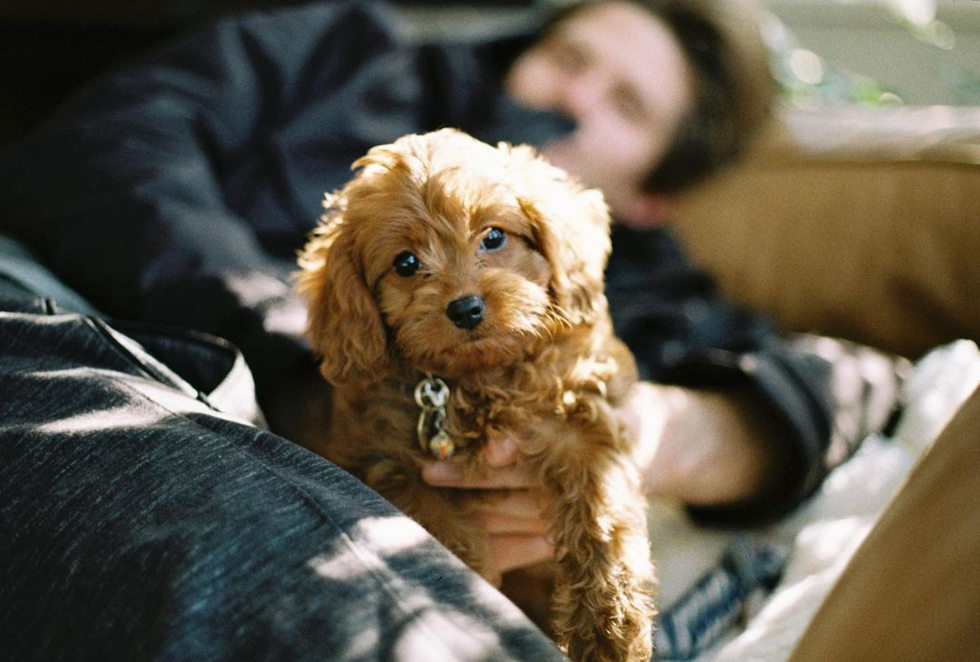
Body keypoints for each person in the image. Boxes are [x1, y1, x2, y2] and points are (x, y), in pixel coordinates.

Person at [0, 0, 902, 659]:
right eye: (568, 53)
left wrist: (684, 435)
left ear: (650, 195)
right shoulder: (352, 52)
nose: (574, 95)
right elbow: (110, 142)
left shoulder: (649, 287)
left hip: (351, 530)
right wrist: (306, 349)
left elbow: (873, 383)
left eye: (626, 105)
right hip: (83, 342)